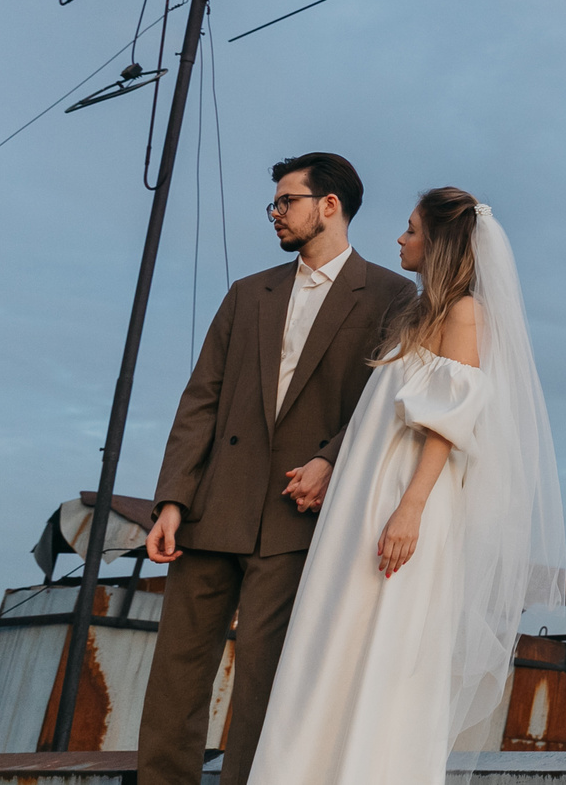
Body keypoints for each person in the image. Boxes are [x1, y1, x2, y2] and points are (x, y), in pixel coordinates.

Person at [251, 187, 566, 783]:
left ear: (441, 244)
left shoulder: (465, 315)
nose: (401, 238)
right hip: (366, 496)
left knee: (382, 646)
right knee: (337, 641)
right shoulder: (421, 314)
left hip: (403, 500)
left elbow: (447, 424)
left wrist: (410, 509)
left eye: (413, 230)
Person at [137, 153, 417, 785]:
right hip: (211, 510)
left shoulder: (393, 295)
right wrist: (172, 500)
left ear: (329, 206)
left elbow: (389, 404)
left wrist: (329, 459)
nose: (274, 214)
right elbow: (200, 398)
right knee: (174, 682)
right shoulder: (247, 293)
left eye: (285, 201)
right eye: (274, 203)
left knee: (265, 688)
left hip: (297, 518)